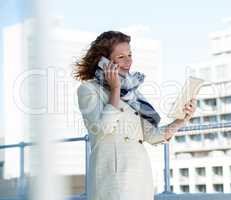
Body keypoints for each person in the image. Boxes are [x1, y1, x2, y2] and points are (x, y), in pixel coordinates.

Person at [74, 30, 196, 200]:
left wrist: (182, 120)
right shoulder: (88, 90)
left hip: (140, 177)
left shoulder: (132, 93)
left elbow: (152, 135)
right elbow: (102, 128)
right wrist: (115, 89)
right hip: (113, 181)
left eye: (130, 55)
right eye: (121, 57)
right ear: (104, 61)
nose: (128, 61)